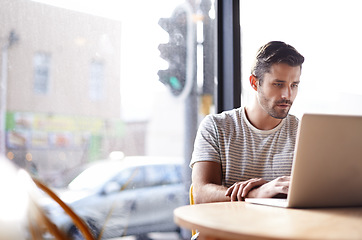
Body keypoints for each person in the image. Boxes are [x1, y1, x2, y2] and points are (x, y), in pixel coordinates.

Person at [190, 41, 305, 203]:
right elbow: (201, 193)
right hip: (228, 227)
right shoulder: (216, 127)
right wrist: (257, 194)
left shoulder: (303, 132)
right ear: (254, 83)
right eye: (278, 84)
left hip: (283, 227)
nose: (287, 94)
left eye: (294, 85)